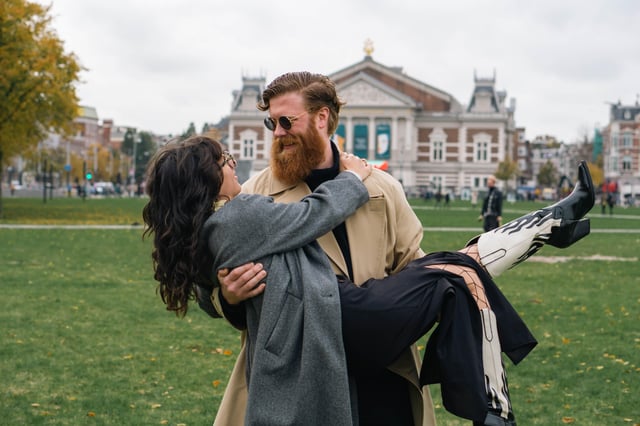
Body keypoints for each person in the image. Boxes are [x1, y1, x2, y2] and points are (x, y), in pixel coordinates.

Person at [143, 135, 595, 426]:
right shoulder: (243, 214)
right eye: (224, 159)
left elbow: (211, 279)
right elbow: (313, 214)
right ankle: (494, 407)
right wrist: (356, 177)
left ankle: (553, 223)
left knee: (453, 269)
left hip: (341, 314)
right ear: (207, 176)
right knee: (454, 271)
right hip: (343, 317)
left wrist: (221, 289)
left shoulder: (206, 230)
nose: (234, 161)